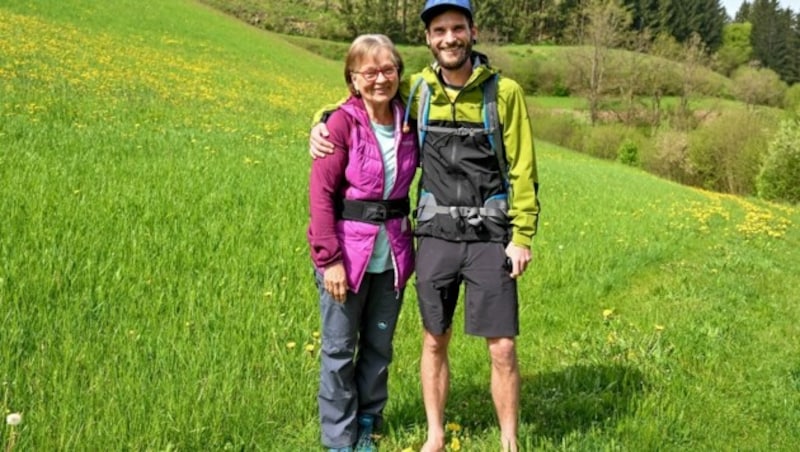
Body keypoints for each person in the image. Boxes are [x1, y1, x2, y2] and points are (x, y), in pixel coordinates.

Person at [310, 1, 540, 450]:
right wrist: (319, 121)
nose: (449, 38)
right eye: (440, 30)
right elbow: (359, 98)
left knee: (503, 347)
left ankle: (509, 440)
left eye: (457, 28)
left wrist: (522, 235)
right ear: (428, 38)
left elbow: (523, 167)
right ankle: (432, 435)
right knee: (434, 339)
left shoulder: (504, 92)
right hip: (433, 236)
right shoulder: (418, 88)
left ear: (473, 31)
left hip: (489, 236)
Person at [307, 33, 419, 452]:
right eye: (369, 72)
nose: (379, 79)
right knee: (338, 350)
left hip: (392, 255)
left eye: (388, 69)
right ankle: (340, 437)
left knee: (379, 343)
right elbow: (320, 196)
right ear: (353, 79)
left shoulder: (410, 121)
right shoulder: (340, 123)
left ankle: (369, 421)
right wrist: (329, 259)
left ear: (398, 74)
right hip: (346, 256)